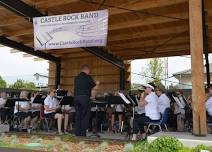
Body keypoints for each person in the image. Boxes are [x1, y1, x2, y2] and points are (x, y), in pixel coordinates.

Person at [74, 64, 99, 136]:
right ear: (87, 70)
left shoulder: (76, 78)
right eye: (89, 71)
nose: (89, 72)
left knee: (78, 116)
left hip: (76, 98)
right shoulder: (88, 77)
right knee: (85, 116)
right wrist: (97, 83)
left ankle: (77, 133)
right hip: (84, 98)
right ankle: (82, 134)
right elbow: (93, 87)